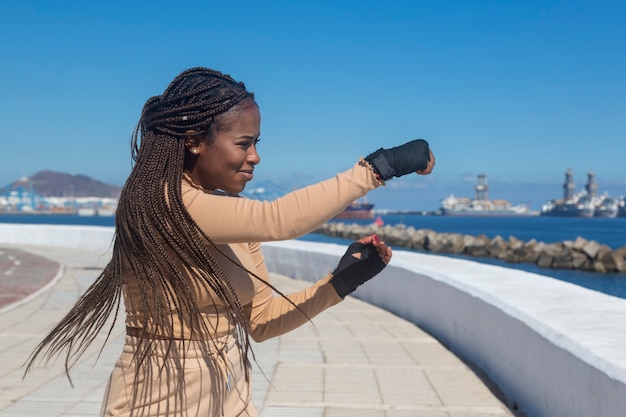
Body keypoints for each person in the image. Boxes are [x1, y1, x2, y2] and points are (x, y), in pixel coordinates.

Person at [24, 67, 435, 417]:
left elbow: (261, 322)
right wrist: (382, 166)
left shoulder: (230, 222)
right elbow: (280, 219)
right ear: (194, 140)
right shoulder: (166, 204)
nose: (255, 156)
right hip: (160, 396)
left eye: (257, 143)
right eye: (244, 143)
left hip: (231, 392)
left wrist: (340, 283)